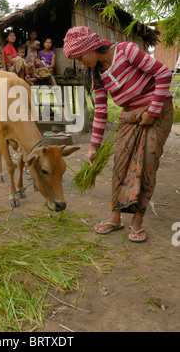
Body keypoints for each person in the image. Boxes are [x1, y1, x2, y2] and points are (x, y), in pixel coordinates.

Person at [63, 26, 173, 243]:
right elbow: (101, 111)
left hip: (157, 111)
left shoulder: (126, 51)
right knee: (121, 164)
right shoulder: (97, 73)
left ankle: (137, 221)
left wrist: (152, 112)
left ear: (91, 48)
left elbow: (163, 73)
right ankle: (116, 217)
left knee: (148, 163)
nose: (80, 63)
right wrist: (94, 147)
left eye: (80, 57)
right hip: (130, 116)